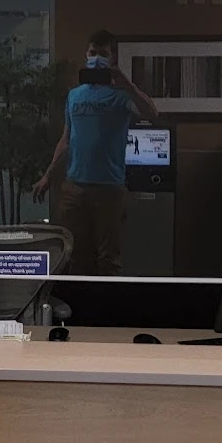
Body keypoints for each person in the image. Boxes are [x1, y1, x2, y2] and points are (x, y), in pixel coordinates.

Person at [32, 30, 160, 275]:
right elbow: (66, 139)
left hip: (109, 189)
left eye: (103, 54)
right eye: (93, 52)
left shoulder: (121, 96)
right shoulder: (74, 95)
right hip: (74, 188)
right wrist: (48, 175)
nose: (96, 57)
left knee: (108, 260)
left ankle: (105, 300)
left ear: (113, 59)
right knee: (75, 257)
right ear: (86, 54)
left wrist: (127, 84)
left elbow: (152, 113)